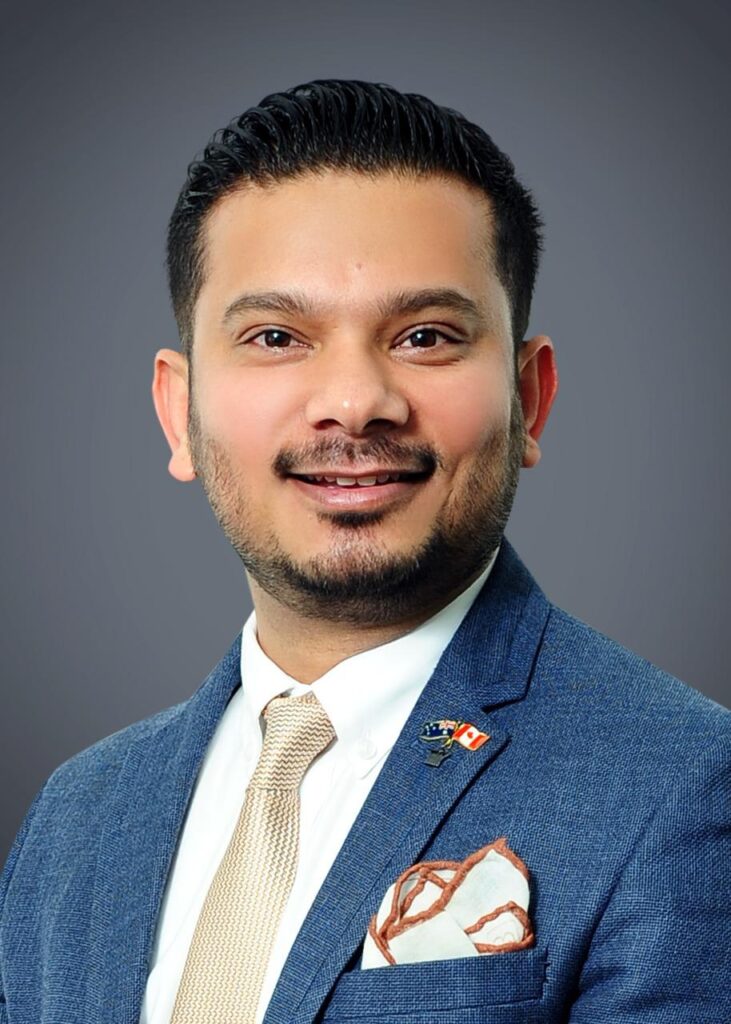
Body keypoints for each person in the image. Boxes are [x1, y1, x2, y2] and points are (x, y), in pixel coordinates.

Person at [1, 79, 729, 1024]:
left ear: (529, 400)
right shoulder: (76, 818)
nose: (354, 400)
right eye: (275, 336)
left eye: (425, 336)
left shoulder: (679, 786)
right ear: (178, 413)